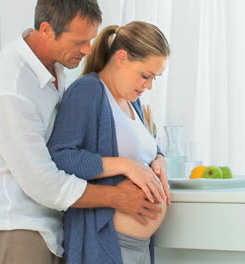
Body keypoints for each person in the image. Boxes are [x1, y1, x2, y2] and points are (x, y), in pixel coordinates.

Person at [0, 1, 166, 263]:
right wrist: (118, 195)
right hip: (13, 226)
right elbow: (44, 177)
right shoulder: (13, 88)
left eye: (90, 39)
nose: (88, 49)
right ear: (47, 30)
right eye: (78, 41)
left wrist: (157, 160)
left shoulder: (54, 70)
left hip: (47, 229)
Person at [47, 21, 171, 264]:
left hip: (140, 245)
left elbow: (145, 147)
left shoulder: (131, 100)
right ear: (122, 58)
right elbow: (60, 156)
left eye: (154, 78)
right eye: (145, 76)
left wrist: (160, 159)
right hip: (107, 242)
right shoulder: (88, 91)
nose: (149, 86)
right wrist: (125, 165)